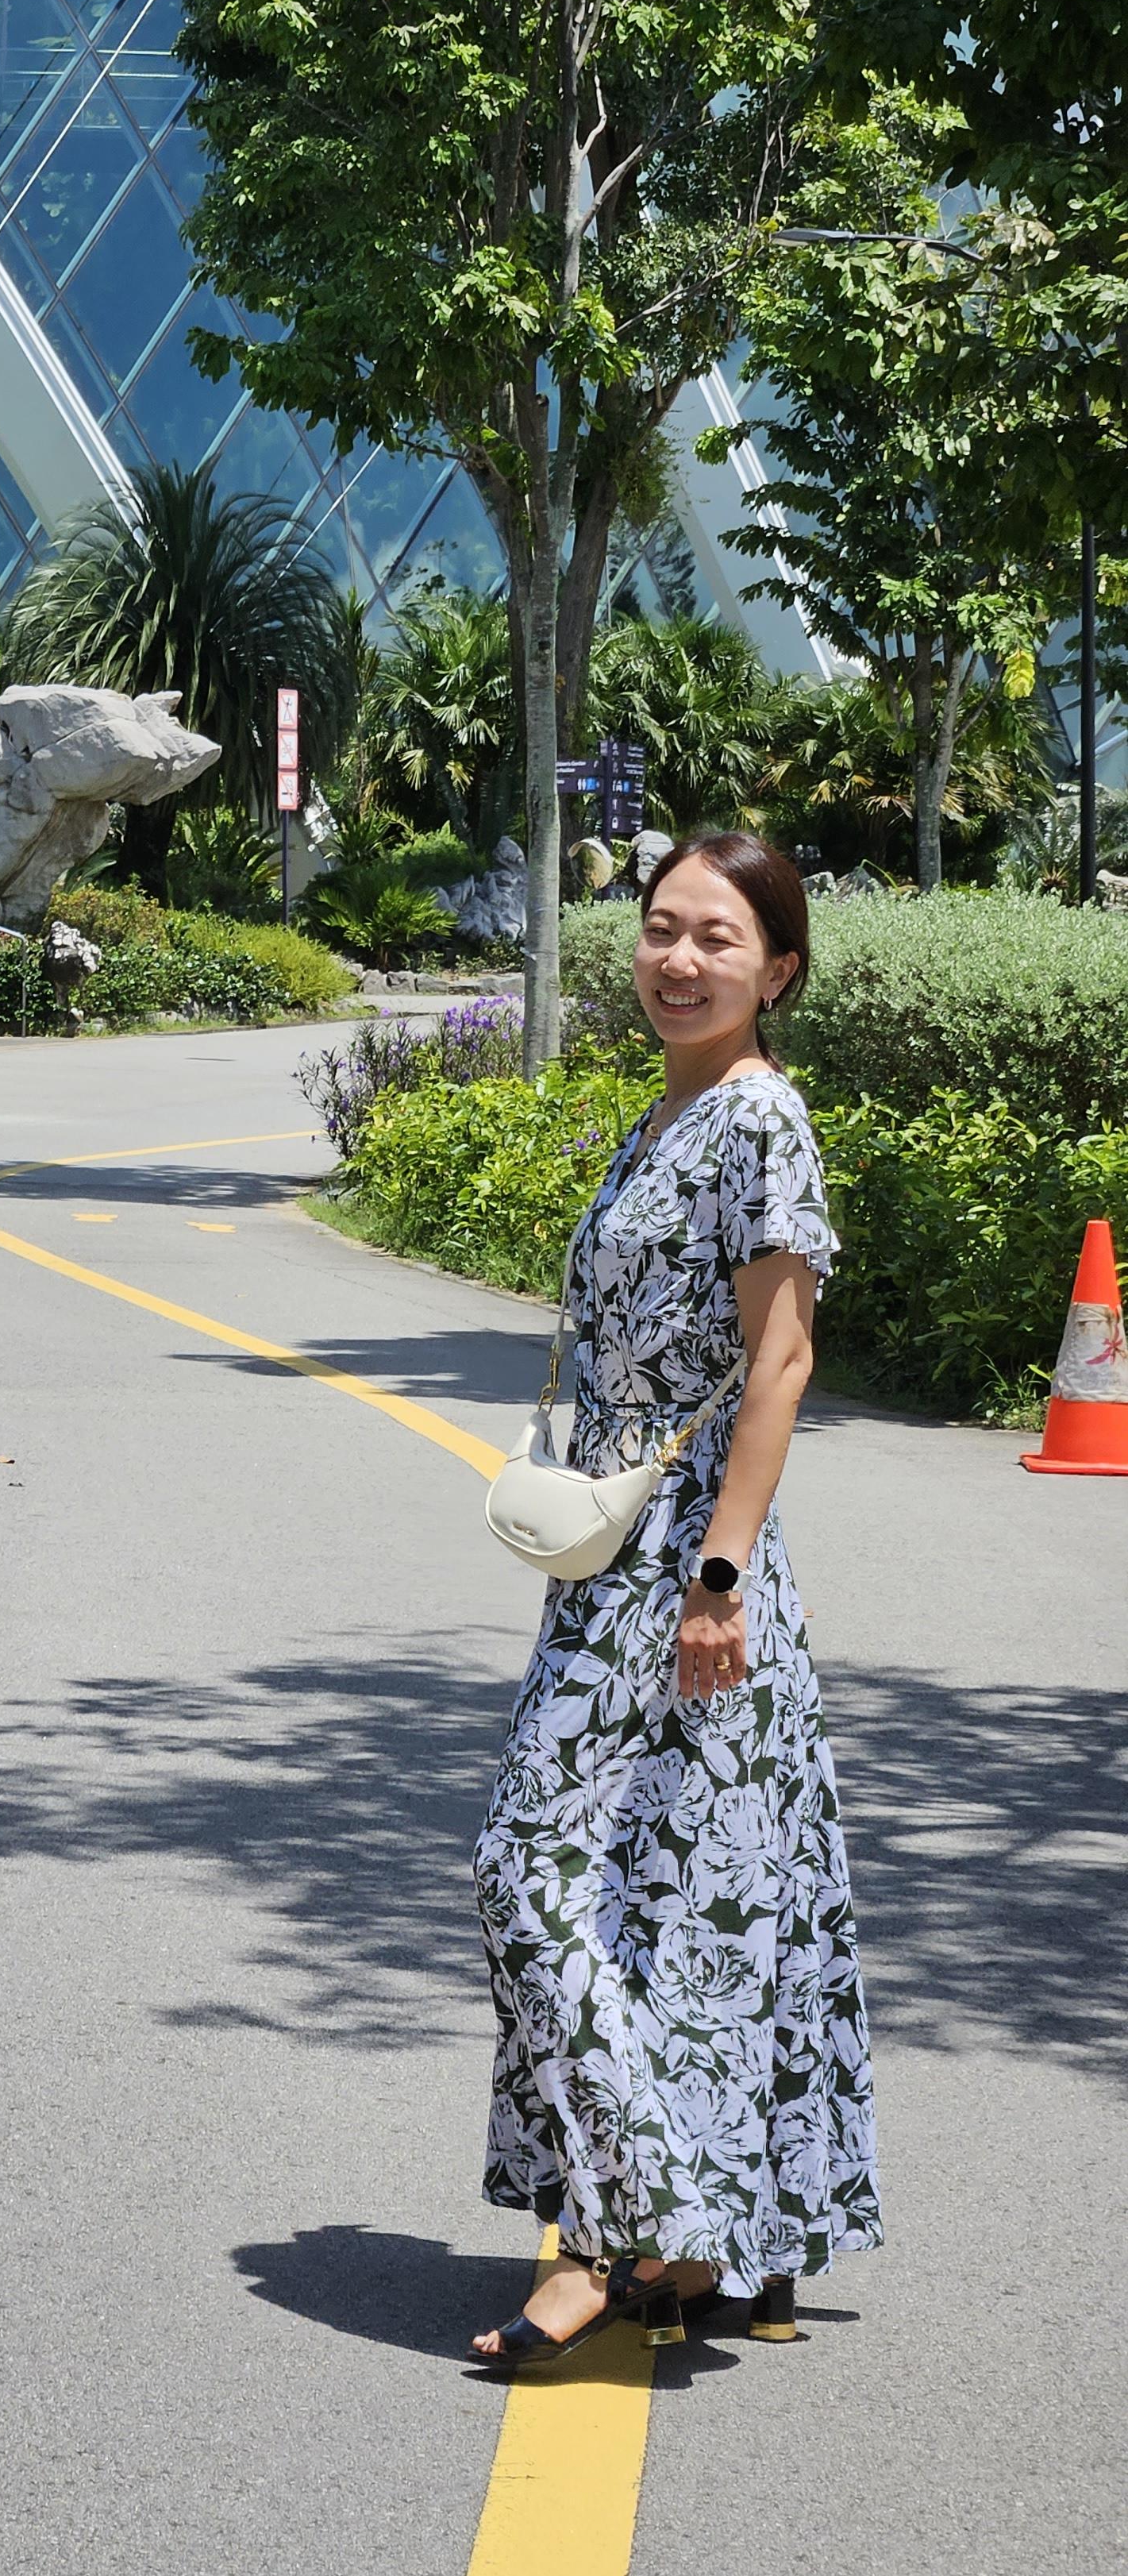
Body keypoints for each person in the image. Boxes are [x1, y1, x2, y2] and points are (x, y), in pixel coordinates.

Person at [469, 830, 880, 2365]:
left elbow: (783, 1360)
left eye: (718, 938)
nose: (679, 960)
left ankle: (626, 2225)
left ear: (779, 971)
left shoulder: (760, 1117)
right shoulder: (666, 1116)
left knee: (528, 1870)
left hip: (682, 1561)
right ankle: (701, 2231)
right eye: (660, 929)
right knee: (676, 1892)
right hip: (620, 1555)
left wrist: (720, 1572)